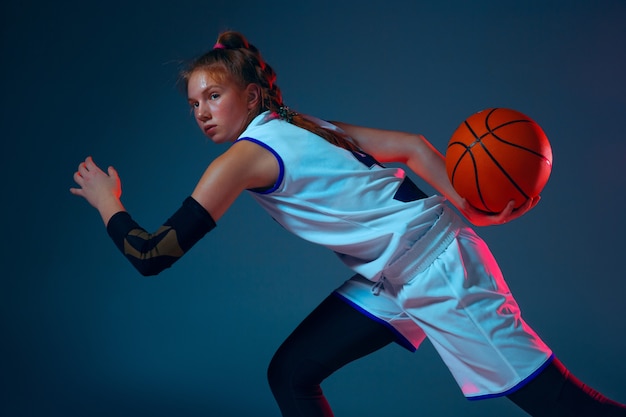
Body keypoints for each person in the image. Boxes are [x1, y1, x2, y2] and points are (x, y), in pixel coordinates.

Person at [70, 31, 625, 417]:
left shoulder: (241, 158)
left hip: (439, 273)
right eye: (194, 104)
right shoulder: (303, 124)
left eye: (213, 96)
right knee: (291, 374)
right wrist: (470, 206)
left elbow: (153, 254)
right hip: (396, 275)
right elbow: (409, 146)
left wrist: (106, 200)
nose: (203, 112)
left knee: (561, 405)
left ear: (253, 95)